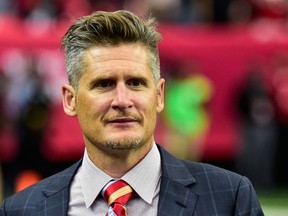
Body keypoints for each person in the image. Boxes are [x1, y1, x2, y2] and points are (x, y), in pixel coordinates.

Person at [0, 10, 264, 216]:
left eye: (136, 83)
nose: (122, 100)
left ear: (159, 95)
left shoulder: (229, 196)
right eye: (104, 84)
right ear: (70, 100)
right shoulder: (21, 210)